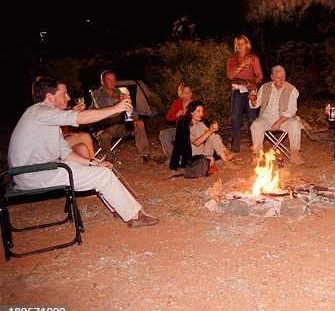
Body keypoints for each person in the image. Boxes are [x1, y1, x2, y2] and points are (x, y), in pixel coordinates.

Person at [8, 77, 158, 228]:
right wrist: (116, 108)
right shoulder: (39, 111)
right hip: (32, 173)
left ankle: (119, 207)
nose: (68, 97)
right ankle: (134, 217)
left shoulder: (45, 118)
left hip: (36, 170)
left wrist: (94, 162)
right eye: (64, 94)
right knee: (102, 176)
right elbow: (79, 118)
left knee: (100, 169)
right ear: (50, 97)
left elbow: (65, 153)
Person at [89, 70, 151, 162]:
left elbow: (129, 108)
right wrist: (119, 100)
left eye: (114, 79)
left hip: (118, 126)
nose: (112, 82)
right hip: (102, 127)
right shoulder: (96, 93)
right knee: (105, 135)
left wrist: (136, 119)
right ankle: (109, 160)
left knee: (139, 124)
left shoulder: (119, 91)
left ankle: (145, 154)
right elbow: (102, 104)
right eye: (109, 79)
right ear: (103, 82)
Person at [249, 65, 304, 165]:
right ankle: (258, 155)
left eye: (283, 77)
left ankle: (295, 154)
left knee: (295, 124)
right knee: (255, 125)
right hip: (266, 118)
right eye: (278, 77)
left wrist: (278, 122)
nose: (281, 80)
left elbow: (291, 111)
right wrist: (252, 99)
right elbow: (255, 105)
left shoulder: (292, 89)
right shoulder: (264, 87)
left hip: (285, 118)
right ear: (272, 77)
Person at [169, 100, 238, 170]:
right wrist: (210, 131)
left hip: (205, 152)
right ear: (191, 112)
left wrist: (226, 151)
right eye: (198, 111)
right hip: (194, 158)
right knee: (210, 159)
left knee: (213, 135)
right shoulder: (185, 126)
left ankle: (225, 160)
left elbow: (213, 137)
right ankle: (221, 161)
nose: (201, 114)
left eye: (202, 111)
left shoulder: (202, 123)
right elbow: (196, 143)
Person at [226, 35, 263, 153]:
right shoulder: (232, 60)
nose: (240, 46)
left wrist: (253, 85)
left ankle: (255, 146)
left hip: (250, 90)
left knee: (252, 118)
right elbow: (230, 76)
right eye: (238, 44)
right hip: (237, 90)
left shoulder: (253, 58)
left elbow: (259, 76)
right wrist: (241, 66)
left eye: (243, 43)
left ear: (247, 44)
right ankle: (235, 147)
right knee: (235, 118)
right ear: (236, 46)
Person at [158, 83, 198, 156]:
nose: (189, 94)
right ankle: (172, 155)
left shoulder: (196, 104)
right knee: (163, 134)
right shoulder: (177, 103)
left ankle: (180, 156)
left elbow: (204, 119)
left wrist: (189, 115)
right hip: (179, 130)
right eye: (186, 93)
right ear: (181, 93)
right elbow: (168, 119)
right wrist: (177, 115)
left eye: (190, 92)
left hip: (193, 131)